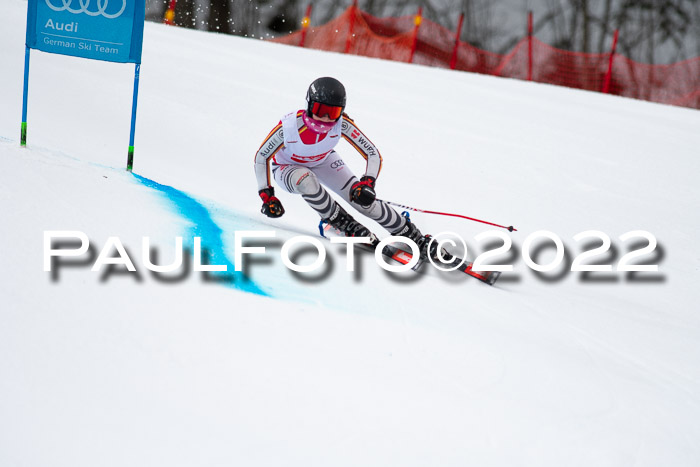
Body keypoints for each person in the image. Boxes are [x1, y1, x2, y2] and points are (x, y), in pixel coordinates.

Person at [253, 76, 437, 258]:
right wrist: (266, 195)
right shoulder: (289, 126)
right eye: (320, 110)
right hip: (288, 167)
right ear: (309, 105)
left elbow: (372, 153)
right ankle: (339, 222)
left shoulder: (342, 124)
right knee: (306, 180)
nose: (325, 119)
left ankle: (412, 235)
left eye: (332, 113)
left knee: (363, 201)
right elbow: (262, 157)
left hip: (323, 161)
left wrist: (367, 183)